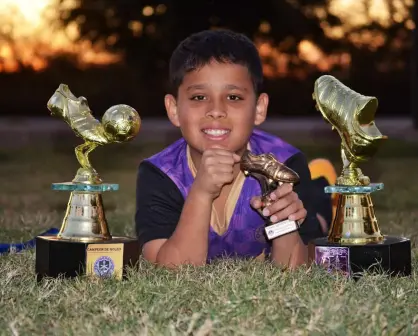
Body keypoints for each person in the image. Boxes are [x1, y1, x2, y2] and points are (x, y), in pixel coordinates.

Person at [135, 29, 337, 269]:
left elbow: (296, 267)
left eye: (233, 97)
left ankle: (324, 190)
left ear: (259, 109)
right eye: (199, 97)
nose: (216, 110)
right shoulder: (160, 174)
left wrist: (284, 221)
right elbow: (169, 268)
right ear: (174, 109)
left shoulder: (284, 163)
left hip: (299, 183)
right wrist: (200, 193)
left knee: (322, 222)